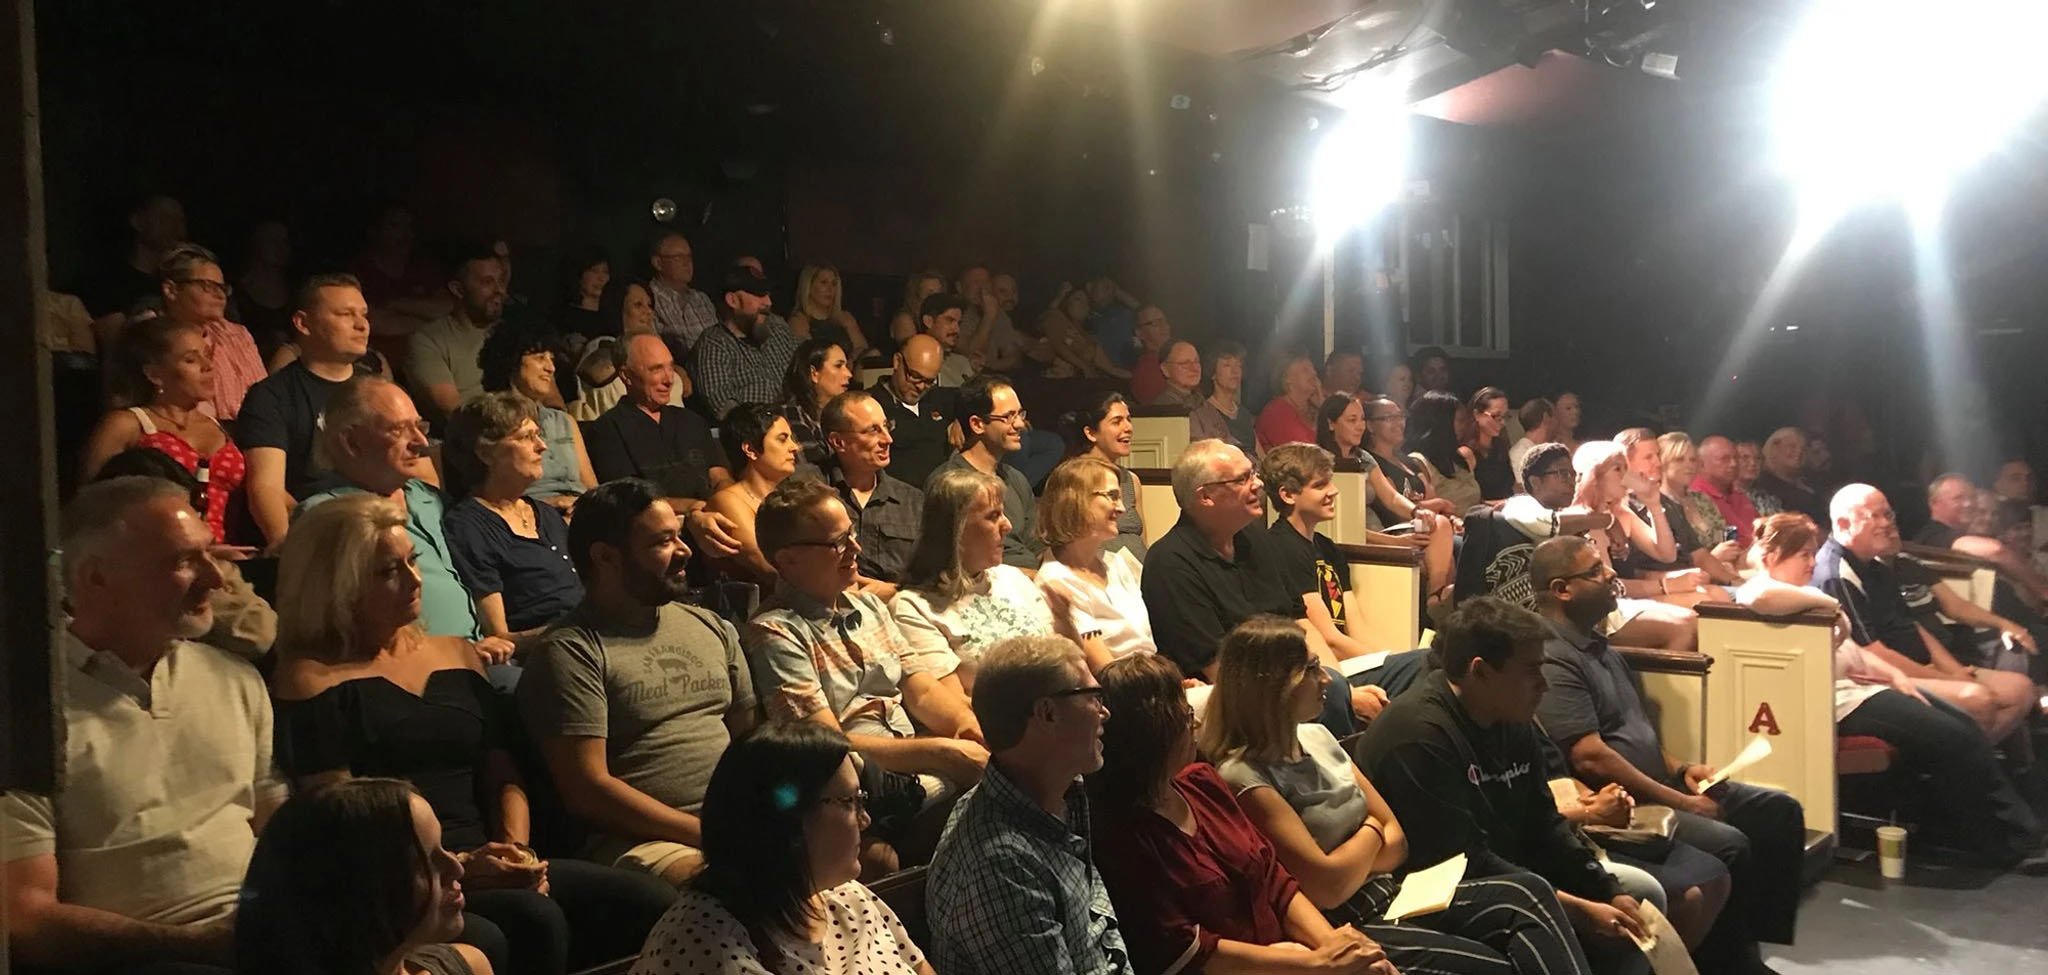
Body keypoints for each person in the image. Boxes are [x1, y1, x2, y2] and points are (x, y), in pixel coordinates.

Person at [270, 497, 671, 975]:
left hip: (493, 855)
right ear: (336, 585)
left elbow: (501, 768)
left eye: (412, 561)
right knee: (529, 922)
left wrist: (514, 850)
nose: (414, 580)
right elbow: (346, 823)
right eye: (387, 572)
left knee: (652, 902)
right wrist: (459, 865)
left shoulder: (456, 652)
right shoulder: (311, 677)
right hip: (405, 879)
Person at [2, 477, 285, 975]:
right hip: (148, 959)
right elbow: (27, 921)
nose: (216, 580)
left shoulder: (234, 679)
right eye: (181, 561)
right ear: (94, 579)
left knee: (467, 946)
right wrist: (198, 945)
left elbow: (282, 833)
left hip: (265, 936)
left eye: (209, 554)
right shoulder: (27, 715)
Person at [1198, 620, 1595, 975]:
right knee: (1494, 966)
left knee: (1529, 892)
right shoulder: (1242, 774)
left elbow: (1399, 842)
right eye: (1312, 669)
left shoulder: (1318, 737)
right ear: (1274, 686)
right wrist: (1371, 830)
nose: (1327, 680)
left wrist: (1358, 849)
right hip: (1347, 922)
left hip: (1397, 891)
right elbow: (1326, 887)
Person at [1531, 536, 1802, 973]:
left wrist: (1685, 769)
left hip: (1662, 783)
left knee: (1778, 811)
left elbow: (1635, 731)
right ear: (1562, 589)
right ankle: (1727, 963)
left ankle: (1749, 948)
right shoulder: (1553, 656)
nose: (1611, 575)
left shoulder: (1599, 647)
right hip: (1624, 801)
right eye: (1596, 571)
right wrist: (1680, 800)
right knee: (1730, 843)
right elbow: (1589, 758)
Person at [1351, 598, 1652, 972]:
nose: (1543, 685)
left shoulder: (1510, 714)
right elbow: (1460, 860)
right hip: (1427, 889)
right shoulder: (1418, 735)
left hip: (1507, 873)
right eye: (1530, 671)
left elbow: (1545, 824)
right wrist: (1579, 908)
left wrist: (1608, 892)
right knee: (1542, 901)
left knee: (1634, 906)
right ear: (1480, 671)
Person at [1736, 512, 2048, 872]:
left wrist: (1898, 677)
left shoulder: (1805, 593)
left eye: (1812, 553)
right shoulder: (1761, 588)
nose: (1812, 562)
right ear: (1774, 557)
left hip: (1863, 685)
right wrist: (1831, 606)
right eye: (1803, 555)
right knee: (1950, 736)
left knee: (1961, 724)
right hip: (1834, 701)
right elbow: (1759, 595)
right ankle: (2008, 843)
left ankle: (1992, 832)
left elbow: (1858, 652)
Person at [1090, 653, 1408, 975]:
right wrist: (1314, 963)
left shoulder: (1202, 783)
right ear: (1153, 734)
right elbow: (1186, 949)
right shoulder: (1121, 836)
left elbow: (1276, 881)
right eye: (1185, 716)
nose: (1196, 724)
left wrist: (1337, 948)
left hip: (1296, 955)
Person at [518, 479, 759, 886]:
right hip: (642, 842)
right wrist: (707, 833)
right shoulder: (571, 651)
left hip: (733, 824)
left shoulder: (709, 626)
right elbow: (587, 790)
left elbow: (749, 740)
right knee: (731, 882)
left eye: (679, 537)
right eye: (662, 542)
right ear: (605, 557)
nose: (684, 551)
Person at [747, 481, 988, 860]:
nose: (855, 549)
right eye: (837, 543)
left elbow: (921, 690)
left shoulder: (871, 609)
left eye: (852, 534)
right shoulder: (776, 630)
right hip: (861, 778)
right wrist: (944, 752)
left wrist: (964, 724)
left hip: (915, 760)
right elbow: (828, 743)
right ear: (788, 558)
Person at [630, 724, 933, 975]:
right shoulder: (702, 946)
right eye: (849, 802)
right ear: (788, 820)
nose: (865, 820)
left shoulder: (849, 897)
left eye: (862, 799)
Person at [924, 635, 1130, 975]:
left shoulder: (1060, 793)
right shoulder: (1000, 866)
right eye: (1094, 696)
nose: (1105, 712)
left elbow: (1100, 938)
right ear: (1047, 713)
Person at [301, 378, 514, 669]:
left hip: (487, 655)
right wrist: (458, 652)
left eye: (420, 427)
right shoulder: (327, 516)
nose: (421, 442)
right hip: (416, 674)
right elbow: (342, 633)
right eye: (399, 430)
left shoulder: (432, 499)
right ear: (351, 441)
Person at [1811, 484, 2038, 743]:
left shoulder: (1876, 566)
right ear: (1843, 523)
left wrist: (1955, 673)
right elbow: (1873, 653)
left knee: (2021, 689)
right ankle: (1962, 765)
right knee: (1979, 701)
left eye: (1888, 515)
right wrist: (1946, 680)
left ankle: (1967, 758)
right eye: (1874, 516)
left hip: (1922, 666)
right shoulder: (1836, 575)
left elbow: (1913, 627)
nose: (1886, 523)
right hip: (1880, 679)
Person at [235, 779, 490, 975]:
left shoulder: (468, 966)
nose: (457, 869)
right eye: (422, 863)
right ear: (354, 889)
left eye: (443, 848)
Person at [1262, 443, 1449, 667]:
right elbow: (1329, 641)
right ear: (1288, 494)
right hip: (1322, 667)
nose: (1334, 490)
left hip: (1350, 660)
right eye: (1320, 485)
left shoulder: (1328, 548)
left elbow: (1356, 628)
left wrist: (1393, 657)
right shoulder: (1281, 546)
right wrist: (1392, 663)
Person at [78, 315, 248, 544]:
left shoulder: (217, 427)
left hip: (220, 555)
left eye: (207, 356)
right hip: (154, 555)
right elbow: (91, 504)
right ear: (154, 374)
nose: (208, 366)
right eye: (191, 360)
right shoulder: (128, 424)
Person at [236, 274, 376, 546]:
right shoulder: (272, 396)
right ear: (303, 323)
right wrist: (287, 553)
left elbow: (420, 470)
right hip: (320, 530)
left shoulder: (379, 391)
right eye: (345, 314)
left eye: (363, 314)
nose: (362, 325)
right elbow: (267, 488)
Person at [893, 467, 1056, 696]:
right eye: (993, 516)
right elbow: (952, 704)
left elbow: (1062, 658)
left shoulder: (1013, 578)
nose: (1007, 525)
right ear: (955, 530)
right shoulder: (914, 607)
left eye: (1003, 513)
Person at [441, 394, 586, 639]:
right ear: (485, 453)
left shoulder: (546, 514)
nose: (542, 446)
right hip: (554, 648)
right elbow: (500, 638)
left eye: (538, 435)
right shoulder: (469, 526)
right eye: (526, 437)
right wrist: (576, 631)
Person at [1567, 441, 1699, 652]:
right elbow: (1602, 585)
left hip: (1621, 600)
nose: (1625, 477)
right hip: (1600, 610)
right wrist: (1664, 586)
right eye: (1618, 469)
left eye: (1625, 469)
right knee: (1684, 626)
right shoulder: (1579, 519)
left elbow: (1666, 554)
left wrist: (1654, 505)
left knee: (1700, 613)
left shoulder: (1620, 515)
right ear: (1596, 474)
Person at [585, 334, 733, 515]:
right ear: (626, 376)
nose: (669, 379)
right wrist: (693, 507)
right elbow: (628, 499)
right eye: (656, 369)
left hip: (713, 514)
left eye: (670, 367)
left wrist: (727, 500)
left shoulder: (692, 421)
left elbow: (719, 477)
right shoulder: (608, 429)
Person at [1037, 457, 1156, 673]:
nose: (1121, 509)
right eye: (1112, 496)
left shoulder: (1116, 563)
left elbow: (1147, 645)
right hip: (1117, 694)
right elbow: (1105, 670)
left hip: (1152, 680)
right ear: (1074, 500)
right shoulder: (1056, 578)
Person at [477, 322, 597, 513]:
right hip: (530, 517)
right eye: (540, 358)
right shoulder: (490, 420)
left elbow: (591, 486)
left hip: (580, 513)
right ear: (512, 360)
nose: (550, 368)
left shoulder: (564, 421)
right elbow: (488, 497)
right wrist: (549, 505)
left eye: (552, 359)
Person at [1317, 391, 1460, 547]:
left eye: (1362, 419)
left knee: (1439, 525)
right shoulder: (1320, 462)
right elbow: (1341, 526)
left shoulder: (1363, 457)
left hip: (1378, 533)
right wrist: (1396, 541)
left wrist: (1416, 511)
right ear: (1331, 423)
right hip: (1350, 540)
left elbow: (1391, 497)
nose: (1360, 426)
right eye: (1352, 420)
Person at [930, 374, 1043, 570]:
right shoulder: (949, 482)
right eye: (1008, 417)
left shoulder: (1016, 479)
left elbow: (1036, 544)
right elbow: (954, 560)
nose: (1020, 425)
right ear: (977, 424)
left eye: (1020, 414)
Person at [822, 389, 924, 596]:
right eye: (872, 431)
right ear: (838, 442)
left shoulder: (912, 501)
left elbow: (934, 579)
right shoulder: (810, 489)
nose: (888, 440)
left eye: (887, 427)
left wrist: (892, 591)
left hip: (898, 613)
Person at [154, 242, 266, 421]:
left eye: (222, 288)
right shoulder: (150, 335)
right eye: (208, 286)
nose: (220, 295)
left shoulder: (237, 335)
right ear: (171, 290)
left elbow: (263, 400)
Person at [704, 404, 803, 588]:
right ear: (750, 449)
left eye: (792, 439)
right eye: (783, 440)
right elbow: (769, 568)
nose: (795, 447)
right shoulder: (728, 501)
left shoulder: (794, 494)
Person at [408, 244, 506, 421]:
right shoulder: (428, 340)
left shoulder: (514, 332)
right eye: (487, 282)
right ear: (458, 289)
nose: (499, 290)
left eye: (501, 281)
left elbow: (550, 397)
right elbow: (453, 413)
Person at [695, 265, 799, 421]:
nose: (768, 302)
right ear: (733, 300)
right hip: (758, 434)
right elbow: (726, 410)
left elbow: (807, 376)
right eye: (759, 294)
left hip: (800, 423)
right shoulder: (714, 343)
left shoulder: (779, 331)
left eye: (768, 294)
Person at [1648, 433, 1746, 587]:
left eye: (1693, 460)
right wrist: (1714, 558)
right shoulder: (1656, 505)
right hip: (1689, 581)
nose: (1689, 466)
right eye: (1680, 459)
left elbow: (1723, 536)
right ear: (1663, 463)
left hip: (1723, 572)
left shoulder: (1702, 499)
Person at [81, 192, 185, 334]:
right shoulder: (108, 283)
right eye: (165, 218)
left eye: (179, 221)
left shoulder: (182, 284)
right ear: (137, 221)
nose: (175, 228)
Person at [1058, 392, 1147, 559]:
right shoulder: (1074, 478)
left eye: (1129, 419)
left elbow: (1142, 539)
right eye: (1117, 421)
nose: (1128, 427)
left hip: (1140, 575)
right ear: (1090, 433)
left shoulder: (1131, 480)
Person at [353, 202, 452, 345]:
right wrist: (425, 316)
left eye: (409, 227)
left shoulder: (423, 267)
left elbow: (449, 310)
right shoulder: (360, 271)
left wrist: (394, 304)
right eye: (395, 226)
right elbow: (373, 321)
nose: (405, 234)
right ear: (375, 230)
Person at [874, 333, 959, 489]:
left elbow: (984, 393)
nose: (920, 387)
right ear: (897, 362)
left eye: (929, 381)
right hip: (900, 502)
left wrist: (962, 418)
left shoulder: (938, 398)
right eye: (915, 376)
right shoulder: (872, 405)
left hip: (943, 498)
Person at [1361, 396, 1457, 525]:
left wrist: (1451, 518)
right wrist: (1439, 504)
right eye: (1389, 417)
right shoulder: (1373, 464)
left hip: (1431, 526)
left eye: (1400, 416)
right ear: (1370, 425)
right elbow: (1396, 512)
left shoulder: (1410, 462)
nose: (1399, 423)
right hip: (1403, 534)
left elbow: (1433, 500)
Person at [781, 339, 853, 472]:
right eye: (838, 366)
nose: (849, 374)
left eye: (846, 366)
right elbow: (813, 473)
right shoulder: (790, 417)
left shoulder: (838, 416)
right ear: (814, 373)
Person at [1406, 390, 1483, 513]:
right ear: (1442, 423)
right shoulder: (1418, 462)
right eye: (1460, 420)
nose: (1464, 426)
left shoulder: (1460, 457)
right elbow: (1417, 509)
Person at [646, 231, 720, 353]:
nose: (687, 263)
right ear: (658, 263)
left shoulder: (701, 298)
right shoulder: (647, 297)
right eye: (678, 258)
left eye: (689, 257)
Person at [232, 219, 295, 357]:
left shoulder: (296, 293)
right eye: (272, 240)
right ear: (257, 243)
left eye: (283, 241)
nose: (279, 247)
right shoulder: (237, 293)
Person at [1042, 287, 1131, 381]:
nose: (1084, 304)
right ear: (1067, 303)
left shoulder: (1091, 338)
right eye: (1078, 299)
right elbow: (1057, 344)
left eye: (1087, 301)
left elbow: (1112, 369)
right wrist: (1083, 366)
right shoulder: (1055, 318)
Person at [1690, 436, 1762, 547]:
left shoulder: (1738, 493)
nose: (1733, 464)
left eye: (1736, 458)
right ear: (1701, 464)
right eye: (1724, 459)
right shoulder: (1694, 496)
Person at [788, 263, 871, 359]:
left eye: (834, 284)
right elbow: (810, 357)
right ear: (809, 286)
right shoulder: (799, 321)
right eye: (824, 282)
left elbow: (864, 350)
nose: (830, 289)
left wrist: (852, 359)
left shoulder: (844, 317)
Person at [1188, 341, 1258, 450]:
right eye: (1227, 365)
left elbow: (1259, 453)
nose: (1235, 371)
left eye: (1238, 365)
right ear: (1213, 372)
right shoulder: (1202, 413)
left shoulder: (1244, 413)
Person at [1753, 428, 1825, 524]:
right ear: (1774, 448)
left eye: (1802, 448)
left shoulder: (1809, 483)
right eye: (1792, 446)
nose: (1799, 452)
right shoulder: (1763, 488)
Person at [1256, 354, 1322, 454]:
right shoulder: (1276, 411)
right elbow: (1303, 453)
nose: (1314, 373)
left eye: (1313, 369)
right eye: (1305, 370)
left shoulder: (1315, 409)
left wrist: (1323, 406)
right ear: (1288, 379)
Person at [1464, 387, 1515, 502]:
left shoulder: (1500, 448)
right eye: (1497, 416)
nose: (1502, 422)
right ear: (1477, 414)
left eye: (1505, 416)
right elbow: (1468, 498)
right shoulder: (1467, 453)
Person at [919, 293, 981, 387]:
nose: (957, 330)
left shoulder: (962, 363)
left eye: (958, 323)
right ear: (929, 321)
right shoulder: (912, 362)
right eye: (949, 321)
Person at [1084, 274, 1143, 368]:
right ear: (1089, 286)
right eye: (1105, 286)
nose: (1109, 291)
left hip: (1130, 371)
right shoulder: (1084, 315)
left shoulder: (1123, 313)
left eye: (1111, 287)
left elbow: (1146, 314)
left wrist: (1119, 292)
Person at [553, 247, 611, 341]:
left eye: (605, 272)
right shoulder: (563, 317)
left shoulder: (611, 319)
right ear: (580, 274)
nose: (601, 278)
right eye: (594, 271)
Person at [887, 270, 947, 346]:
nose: (936, 299)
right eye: (929, 294)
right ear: (915, 295)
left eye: (939, 294)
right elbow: (911, 351)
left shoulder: (939, 318)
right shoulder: (904, 319)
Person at [1127, 307, 1171, 404]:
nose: (1164, 327)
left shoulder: (1175, 358)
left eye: (1164, 321)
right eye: (1155, 323)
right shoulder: (1145, 369)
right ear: (1140, 333)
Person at [1146, 339, 1205, 410]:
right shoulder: (1163, 408)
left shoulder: (1202, 401)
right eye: (1184, 363)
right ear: (1165, 369)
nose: (1194, 368)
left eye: (1196, 361)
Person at [1507, 398, 1555, 487]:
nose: (1557, 422)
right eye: (1555, 416)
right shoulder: (1520, 453)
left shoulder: (1551, 450)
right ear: (1546, 417)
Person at [1733, 442, 1778, 516]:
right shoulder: (1722, 497)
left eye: (1758, 458)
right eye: (1745, 457)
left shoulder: (1768, 499)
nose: (1753, 463)